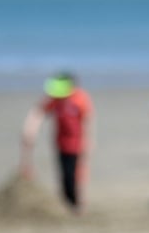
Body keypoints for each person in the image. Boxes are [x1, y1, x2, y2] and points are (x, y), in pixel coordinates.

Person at [20, 72, 94, 212]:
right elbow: (38, 113)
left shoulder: (80, 98)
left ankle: (77, 204)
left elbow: (87, 122)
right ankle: (67, 203)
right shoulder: (56, 99)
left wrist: (88, 144)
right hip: (61, 144)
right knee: (64, 175)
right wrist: (29, 131)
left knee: (76, 174)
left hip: (77, 144)